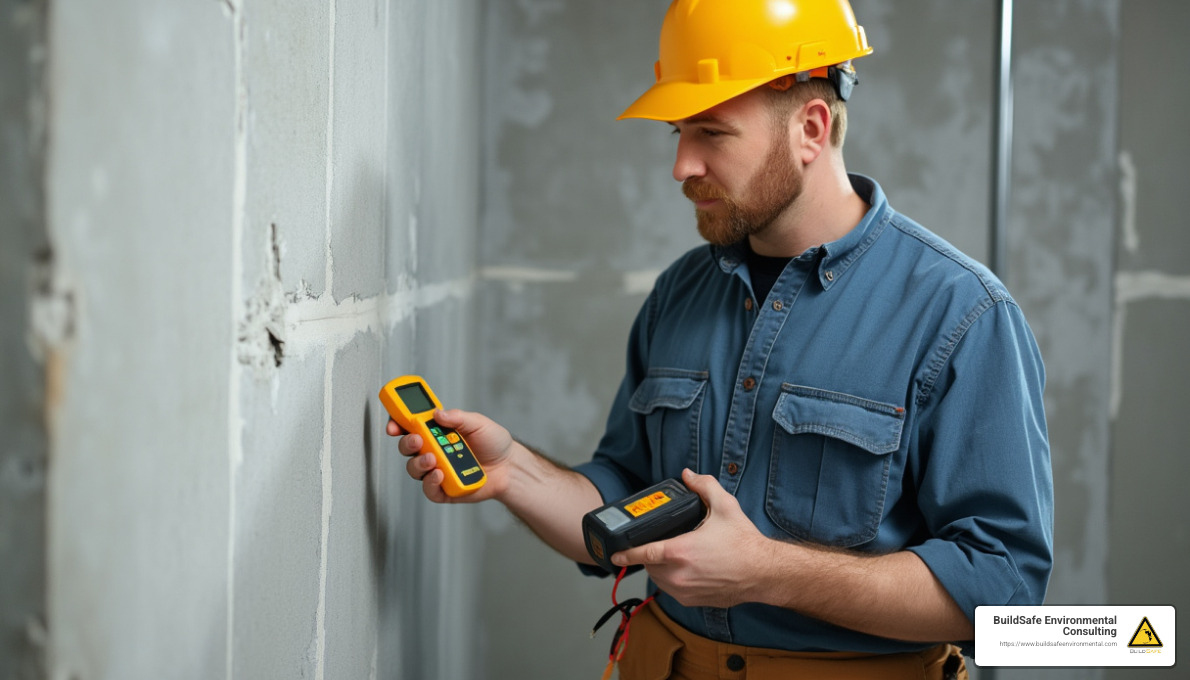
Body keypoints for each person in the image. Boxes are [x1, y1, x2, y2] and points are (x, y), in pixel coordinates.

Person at [387, 1, 1053, 678]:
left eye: (711, 131)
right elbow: (625, 496)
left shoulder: (961, 315)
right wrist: (513, 476)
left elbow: (1003, 592)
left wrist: (767, 572)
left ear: (811, 129)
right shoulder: (681, 291)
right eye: (679, 131)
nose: (681, 164)